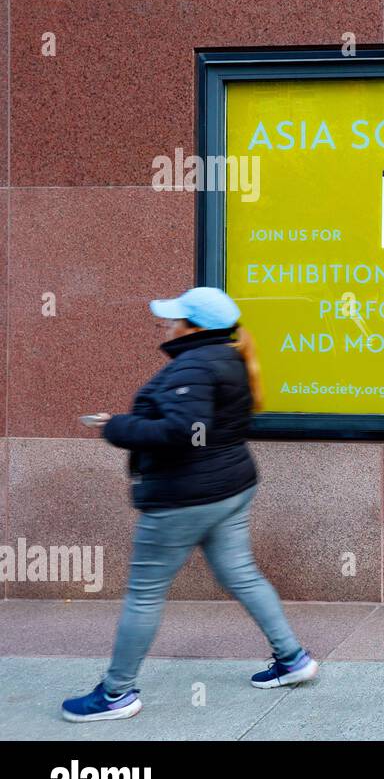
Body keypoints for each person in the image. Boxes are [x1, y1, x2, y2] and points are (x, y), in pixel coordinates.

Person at [61, 287, 318, 722]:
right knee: (241, 574)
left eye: (176, 317)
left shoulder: (195, 365)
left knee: (144, 594)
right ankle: (293, 660)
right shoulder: (226, 357)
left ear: (196, 327)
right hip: (228, 487)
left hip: (185, 497)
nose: (168, 323)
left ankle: (115, 694)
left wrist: (118, 427)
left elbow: (185, 430)